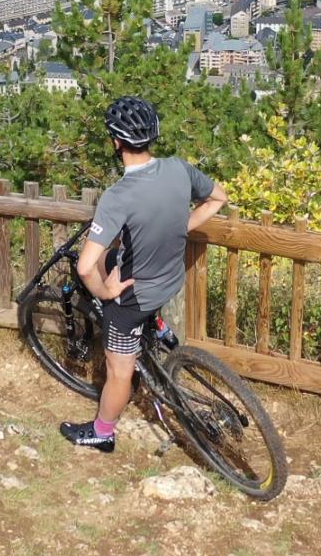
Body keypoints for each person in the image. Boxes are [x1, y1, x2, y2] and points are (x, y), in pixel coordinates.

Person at [60, 96, 228, 452]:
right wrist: (181, 226)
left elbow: (85, 267)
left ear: (116, 142)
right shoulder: (178, 169)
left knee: (119, 369)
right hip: (170, 277)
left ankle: (102, 432)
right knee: (120, 259)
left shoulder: (118, 196)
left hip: (137, 296)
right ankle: (157, 328)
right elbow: (218, 198)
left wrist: (105, 293)